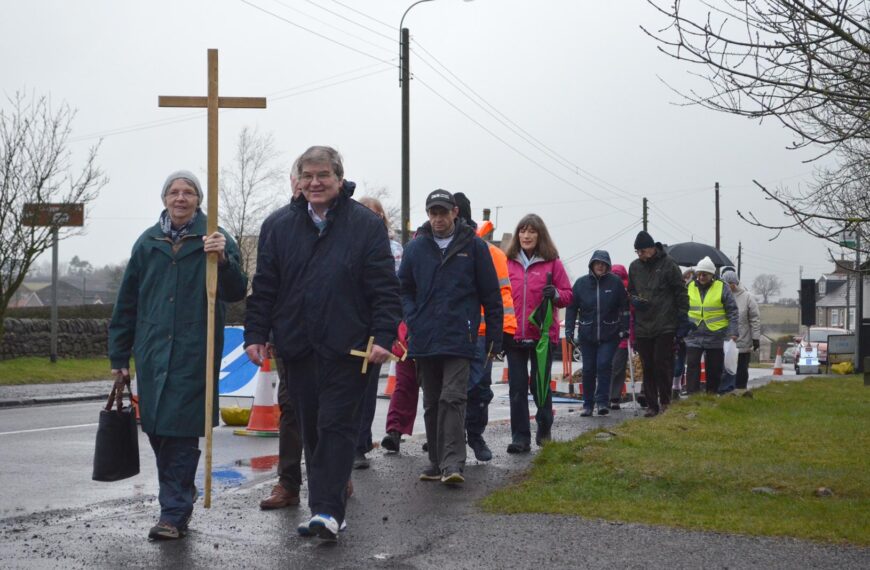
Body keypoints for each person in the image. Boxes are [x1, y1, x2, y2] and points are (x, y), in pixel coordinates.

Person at [244, 146, 401, 542]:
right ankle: (326, 508)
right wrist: (256, 333)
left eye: (323, 176)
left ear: (339, 178)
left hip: (348, 347)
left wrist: (385, 336)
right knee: (311, 428)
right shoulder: (278, 225)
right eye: (307, 176)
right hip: (297, 344)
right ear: (297, 180)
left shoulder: (364, 225)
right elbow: (265, 286)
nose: (315, 183)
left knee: (336, 425)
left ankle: (328, 511)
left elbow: (384, 288)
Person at [108, 170, 248, 540]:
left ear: (199, 199)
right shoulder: (147, 242)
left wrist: (223, 259)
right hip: (153, 351)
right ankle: (181, 492)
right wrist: (118, 357)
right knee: (156, 428)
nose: (181, 198)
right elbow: (127, 303)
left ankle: (172, 513)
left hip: (194, 350)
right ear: (165, 198)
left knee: (183, 431)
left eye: (188, 192)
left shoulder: (215, 238)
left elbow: (237, 291)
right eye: (174, 192)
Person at [399, 189, 502, 484]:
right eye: (433, 213)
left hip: (461, 336)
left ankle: (453, 463)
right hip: (425, 336)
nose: (438, 219)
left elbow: (490, 294)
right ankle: (435, 461)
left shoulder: (475, 247)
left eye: (443, 213)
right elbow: (404, 288)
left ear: (455, 212)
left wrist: (495, 336)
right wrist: (412, 317)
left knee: (453, 398)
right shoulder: (416, 249)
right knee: (432, 401)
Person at [454, 192, 517, 462]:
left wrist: (503, 331)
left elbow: (502, 294)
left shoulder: (492, 254)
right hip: (450, 332)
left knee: (479, 388)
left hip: (481, 334)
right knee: (449, 390)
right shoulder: (436, 248)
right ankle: (448, 439)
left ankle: (475, 436)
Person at [504, 214, 573, 452]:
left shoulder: (553, 262)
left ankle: (544, 428)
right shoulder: (507, 261)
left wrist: (555, 294)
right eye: (522, 231)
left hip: (542, 335)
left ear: (540, 234)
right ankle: (520, 438)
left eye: (531, 231)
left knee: (540, 386)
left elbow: (568, 295)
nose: (526, 235)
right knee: (517, 388)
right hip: (513, 336)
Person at [352, 196, 403, 469]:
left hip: (374, 325)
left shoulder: (394, 248)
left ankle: (360, 442)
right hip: (348, 322)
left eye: (376, 215)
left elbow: (392, 289)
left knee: (367, 387)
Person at [628, 230, 689, 417]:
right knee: (648, 366)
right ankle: (652, 405)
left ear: (653, 248)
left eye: (643, 251)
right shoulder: (634, 267)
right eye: (637, 252)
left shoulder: (669, 264)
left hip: (665, 323)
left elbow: (680, 292)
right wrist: (634, 301)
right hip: (643, 323)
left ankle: (666, 401)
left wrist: (682, 316)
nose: (640, 255)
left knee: (662, 363)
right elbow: (630, 291)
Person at [565, 251, 629, 416]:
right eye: (597, 263)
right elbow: (572, 308)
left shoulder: (615, 283)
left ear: (607, 265)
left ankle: (602, 402)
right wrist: (569, 329)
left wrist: (624, 328)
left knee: (603, 365)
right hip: (587, 333)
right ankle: (588, 404)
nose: (600, 266)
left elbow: (624, 307)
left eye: (603, 263)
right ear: (592, 265)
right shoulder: (580, 284)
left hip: (610, 333)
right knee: (588, 369)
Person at [684, 256, 739, 394]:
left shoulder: (722, 287)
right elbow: (682, 308)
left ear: (712, 275)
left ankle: (712, 395)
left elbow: (732, 311)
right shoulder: (689, 286)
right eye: (699, 274)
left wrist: (733, 332)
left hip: (716, 334)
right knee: (692, 366)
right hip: (693, 334)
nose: (701, 277)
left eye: (705, 274)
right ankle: (692, 396)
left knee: (714, 368)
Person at [720, 270, 760, 391]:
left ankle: (741, 390)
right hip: (726, 341)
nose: (728, 286)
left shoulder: (747, 297)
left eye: (730, 283)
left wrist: (755, 338)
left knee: (742, 369)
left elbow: (755, 319)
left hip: (743, 340)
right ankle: (726, 391)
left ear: (735, 283)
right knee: (726, 369)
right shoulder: (721, 296)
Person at [608, 264, 633, 410]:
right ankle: (614, 397)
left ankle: (611, 397)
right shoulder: (628, 288)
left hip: (614, 332)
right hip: (624, 333)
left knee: (611, 367)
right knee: (618, 368)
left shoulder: (611, 287)